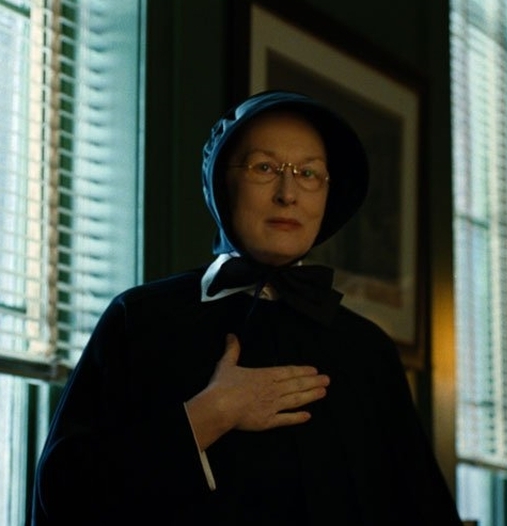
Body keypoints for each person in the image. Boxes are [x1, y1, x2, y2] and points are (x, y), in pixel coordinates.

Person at [30, 90, 462, 525]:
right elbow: (65, 494)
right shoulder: (140, 319)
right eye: (264, 168)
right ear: (221, 183)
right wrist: (209, 415)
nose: (288, 194)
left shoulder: (368, 350)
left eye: (309, 173)